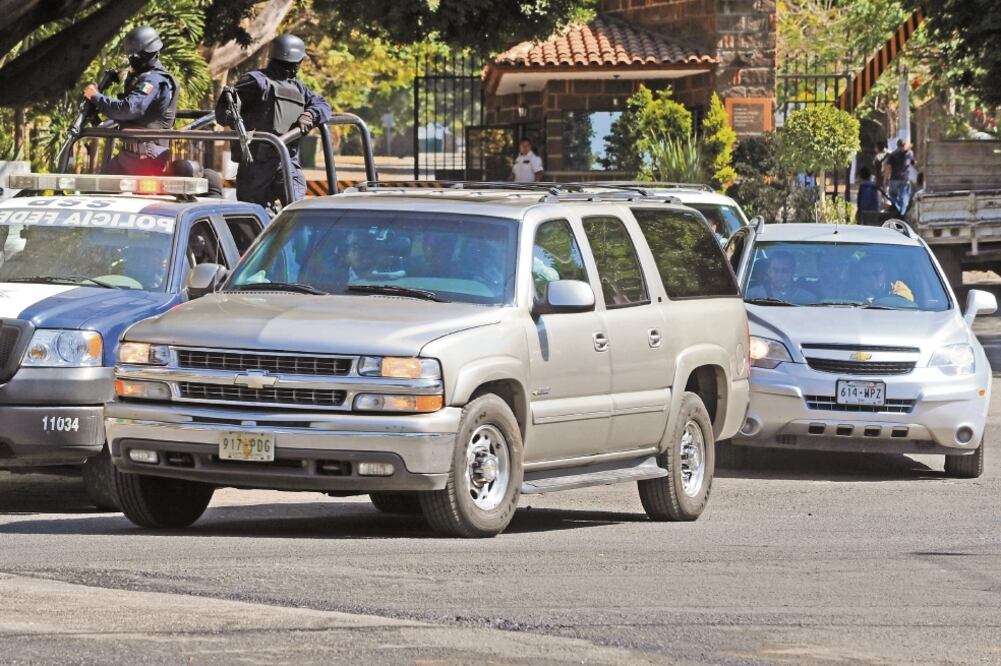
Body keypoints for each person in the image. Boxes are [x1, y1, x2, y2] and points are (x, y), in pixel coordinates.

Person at [215, 34, 332, 207]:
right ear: (294, 60)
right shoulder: (256, 81)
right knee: (252, 217)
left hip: (287, 160)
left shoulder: (297, 87)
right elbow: (224, 113)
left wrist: (310, 115)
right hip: (256, 164)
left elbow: (323, 104)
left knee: (296, 214)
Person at [84, 26, 178, 176]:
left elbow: (129, 109)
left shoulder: (154, 80)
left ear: (141, 55)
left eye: (132, 56)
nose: (130, 60)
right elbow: (127, 116)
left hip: (146, 157)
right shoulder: (145, 77)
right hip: (130, 156)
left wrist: (96, 97)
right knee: (98, 188)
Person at [746, 250, 814, 304]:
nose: (779, 275)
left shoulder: (809, 299)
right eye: (775, 270)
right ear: (769, 271)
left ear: (793, 272)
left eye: (785, 270)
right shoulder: (751, 296)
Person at [886, 139, 915, 216]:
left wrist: (886, 178)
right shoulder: (909, 154)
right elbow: (913, 163)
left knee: (892, 195)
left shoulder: (892, 154)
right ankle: (902, 213)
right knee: (904, 197)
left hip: (894, 178)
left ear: (897, 145)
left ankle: (898, 209)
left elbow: (888, 167)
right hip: (904, 179)